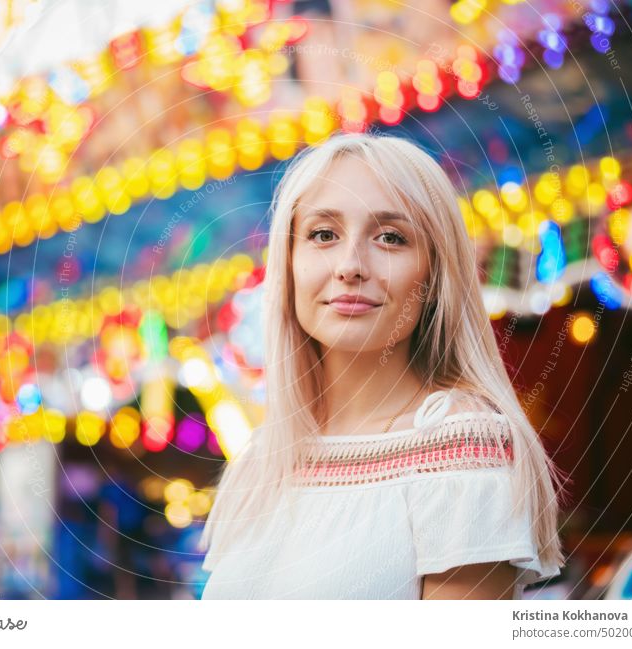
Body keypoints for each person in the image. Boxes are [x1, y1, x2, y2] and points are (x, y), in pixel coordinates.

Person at [198, 131, 568, 599]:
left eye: (391, 238)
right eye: (323, 234)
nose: (351, 264)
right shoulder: (261, 461)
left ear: (435, 276)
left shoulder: (457, 452)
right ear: (288, 263)